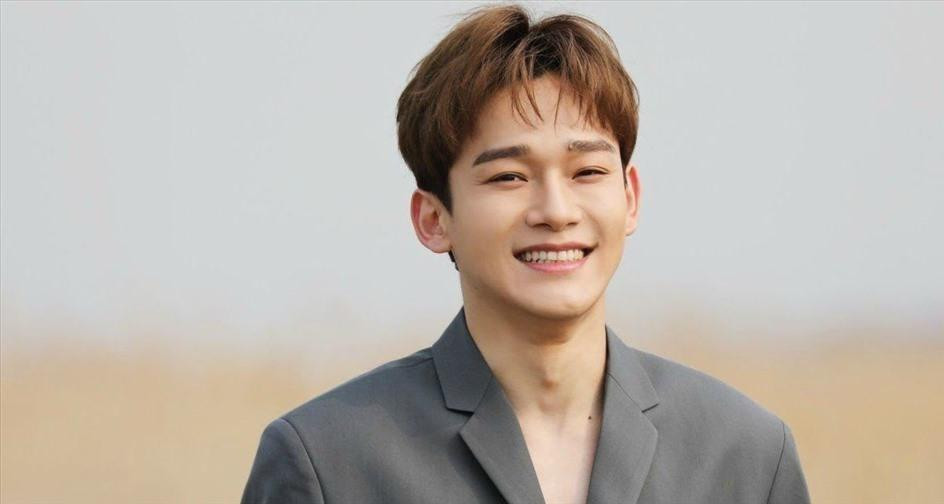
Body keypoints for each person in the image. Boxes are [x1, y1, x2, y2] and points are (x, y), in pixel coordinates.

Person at [241, 4, 810, 504]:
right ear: (434, 219)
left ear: (631, 197)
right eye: (509, 177)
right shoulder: (327, 462)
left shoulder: (746, 454)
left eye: (587, 171)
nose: (556, 211)